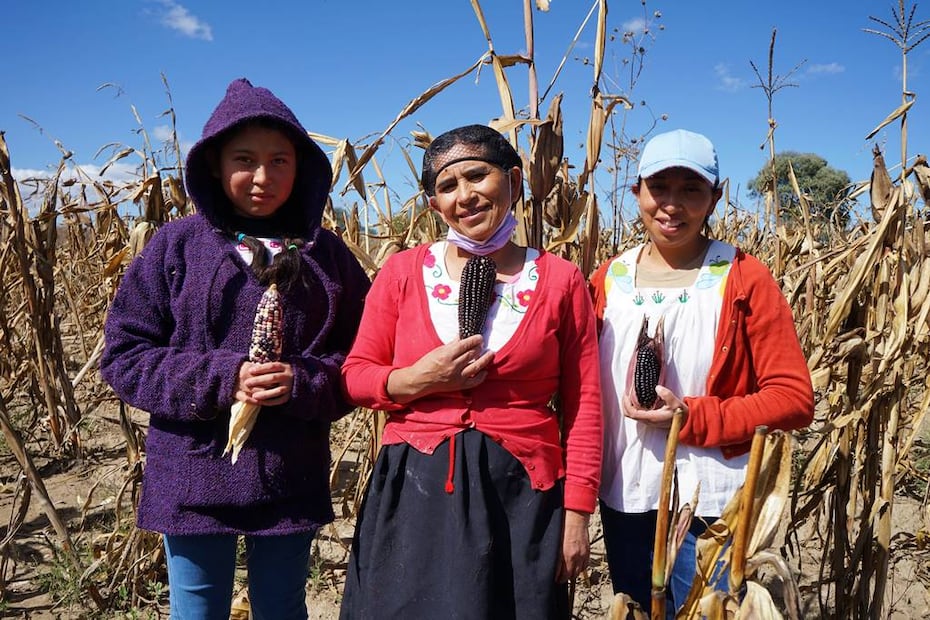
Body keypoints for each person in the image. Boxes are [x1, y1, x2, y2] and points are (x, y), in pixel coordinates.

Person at [100, 78, 371, 619]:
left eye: (281, 161)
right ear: (216, 166)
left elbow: (362, 358)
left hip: (289, 474)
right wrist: (227, 378)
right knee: (196, 611)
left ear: (303, 169)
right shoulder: (176, 246)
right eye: (245, 160)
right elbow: (125, 357)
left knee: (282, 608)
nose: (263, 178)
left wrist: (303, 382)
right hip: (192, 476)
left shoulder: (327, 255)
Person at [338, 124, 602, 618]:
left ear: (515, 181)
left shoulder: (561, 281)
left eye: (478, 175)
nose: (465, 195)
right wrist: (420, 380)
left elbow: (585, 404)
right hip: (415, 487)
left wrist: (577, 513)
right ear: (434, 204)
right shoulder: (402, 273)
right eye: (447, 186)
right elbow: (356, 375)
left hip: (520, 492)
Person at [589, 128, 814, 614]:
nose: (672, 205)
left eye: (691, 190)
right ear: (637, 193)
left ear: (715, 197)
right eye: (659, 188)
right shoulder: (608, 279)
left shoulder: (741, 275)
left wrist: (690, 417)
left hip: (711, 505)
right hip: (625, 496)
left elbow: (794, 399)